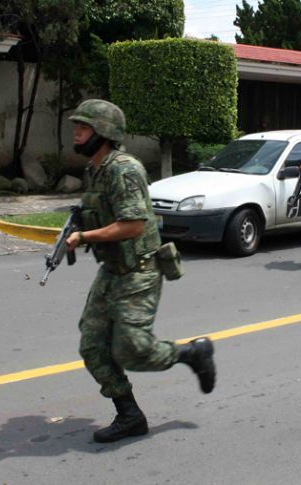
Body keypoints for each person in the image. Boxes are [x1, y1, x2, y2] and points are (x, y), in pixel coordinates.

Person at [64, 99, 216, 443]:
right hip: (113, 269)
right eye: (77, 125)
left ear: (103, 133)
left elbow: (132, 225)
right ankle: (130, 415)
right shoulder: (95, 169)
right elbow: (101, 213)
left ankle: (191, 354)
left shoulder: (124, 169)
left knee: (132, 349)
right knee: (92, 346)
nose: (77, 131)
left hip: (140, 270)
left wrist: (85, 235)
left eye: (84, 127)